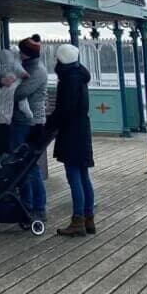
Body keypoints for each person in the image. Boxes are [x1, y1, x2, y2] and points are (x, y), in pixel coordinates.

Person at [44, 42, 95, 236]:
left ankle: (78, 219)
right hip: (82, 129)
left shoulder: (68, 80)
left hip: (71, 132)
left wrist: (49, 126)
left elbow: (64, 109)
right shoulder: (80, 77)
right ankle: (88, 218)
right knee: (83, 175)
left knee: (73, 175)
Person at [11, 35, 48, 218]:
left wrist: (10, 86)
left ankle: (38, 206)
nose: (19, 54)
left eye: (21, 51)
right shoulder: (27, 68)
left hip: (29, 123)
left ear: (26, 54)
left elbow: (20, 93)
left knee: (29, 165)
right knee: (22, 164)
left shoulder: (38, 71)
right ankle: (27, 203)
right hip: (22, 121)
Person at [0, 44, 33, 126]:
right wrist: (17, 78)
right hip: (16, 86)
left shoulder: (1, 67)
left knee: (5, 102)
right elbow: (26, 75)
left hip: (6, 88)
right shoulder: (15, 64)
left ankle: (4, 118)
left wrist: (1, 81)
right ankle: (28, 113)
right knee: (22, 101)